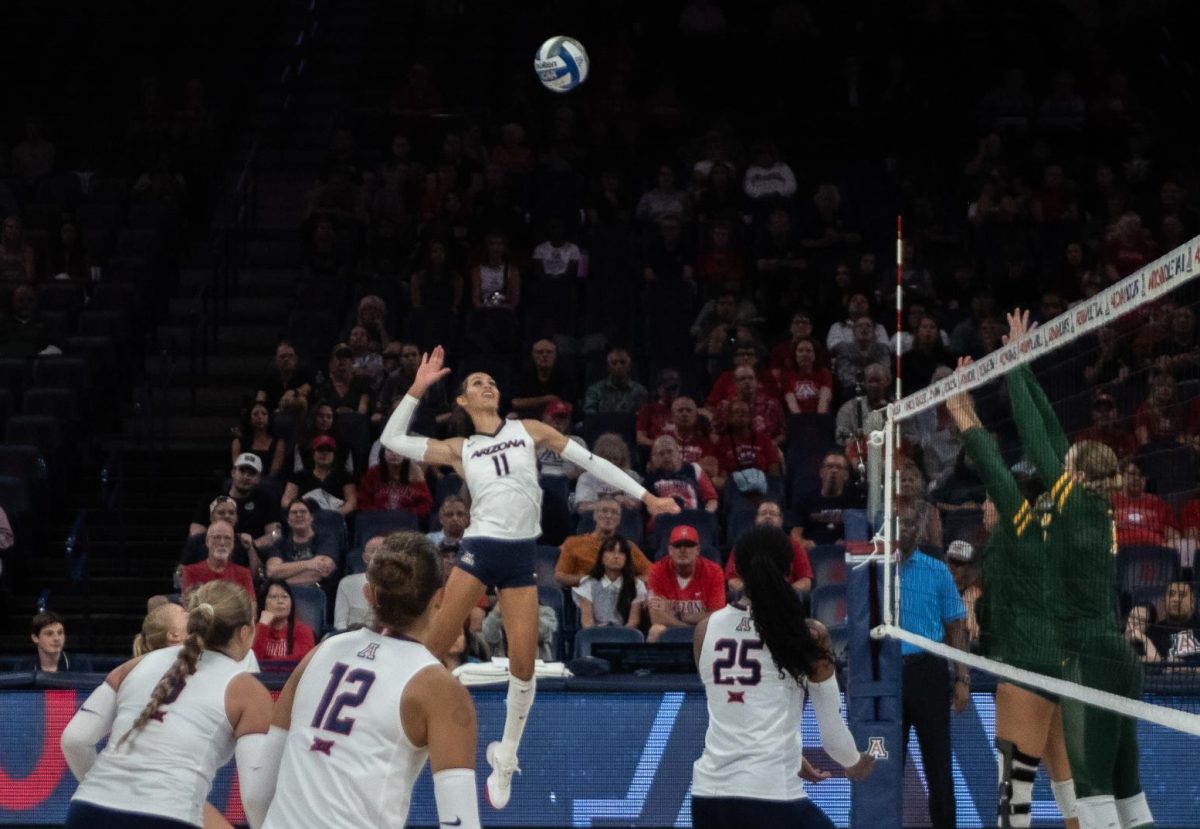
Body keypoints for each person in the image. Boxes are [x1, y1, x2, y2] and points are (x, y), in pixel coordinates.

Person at [380, 345, 678, 808]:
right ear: (461, 401)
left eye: (491, 381)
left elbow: (593, 462)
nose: (487, 386)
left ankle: (506, 756)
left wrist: (647, 497)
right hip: (479, 549)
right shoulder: (461, 449)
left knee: (523, 665)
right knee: (431, 651)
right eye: (477, 382)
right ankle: (390, 734)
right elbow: (393, 439)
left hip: (520, 556)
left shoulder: (528, 429)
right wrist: (417, 389)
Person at [1005, 309, 1152, 829]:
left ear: (1075, 475)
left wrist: (1010, 366)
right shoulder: (1093, 504)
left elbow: (1033, 434)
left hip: (1087, 655)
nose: (1058, 465)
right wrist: (1023, 364)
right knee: (1128, 790)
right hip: (1119, 655)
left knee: (1092, 789)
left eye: (1066, 465)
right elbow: (1051, 433)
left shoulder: (1072, 505)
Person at [262, 532, 481, 829]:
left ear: (368, 593)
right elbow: (460, 823)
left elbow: (259, 783)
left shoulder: (321, 651)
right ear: (439, 598)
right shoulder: (439, 688)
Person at [691, 525, 873, 829]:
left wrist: (791, 754)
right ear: (790, 569)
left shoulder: (704, 629)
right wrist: (855, 763)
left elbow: (738, 708)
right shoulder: (808, 633)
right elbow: (832, 738)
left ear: (736, 569)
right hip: (771, 793)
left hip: (709, 796)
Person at [59, 582, 277, 829]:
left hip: (88, 810)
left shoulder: (135, 664)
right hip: (169, 816)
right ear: (244, 632)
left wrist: (104, 788)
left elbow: (74, 739)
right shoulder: (248, 691)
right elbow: (256, 796)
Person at [896, 502, 971, 829]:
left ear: (921, 529)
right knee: (886, 765)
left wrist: (962, 678)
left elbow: (956, 625)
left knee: (938, 764)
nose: (908, 531)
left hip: (928, 672)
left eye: (913, 525)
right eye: (902, 524)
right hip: (887, 675)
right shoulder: (874, 567)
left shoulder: (937, 569)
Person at [264, 498, 337, 634]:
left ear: (311, 517)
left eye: (303, 512)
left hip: (316, 598)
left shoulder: (326, 539)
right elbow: (272, 572)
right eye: (294, 513)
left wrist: (283, 577)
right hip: (283, 597)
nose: (298, 515)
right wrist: (309, 564)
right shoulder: (280, 543)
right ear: (288, 520)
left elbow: (322, 571)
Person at [188, 455, 281, 558]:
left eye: (252, 473)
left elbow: (275, 535)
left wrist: (251, 545)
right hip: (215, 552)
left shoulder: (266, 500)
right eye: (242, 471)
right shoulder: (211, 499)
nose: (246, 477)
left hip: (250, 554)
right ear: (233, 472)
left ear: (258, 478)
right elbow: (195, 534)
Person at [647, 525, 726, 642]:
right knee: (656, 630)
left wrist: (683, 616)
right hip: (676, 628)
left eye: (689, 545)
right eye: (677, 545)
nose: (683, 550)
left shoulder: (714, 571)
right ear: (670, 550)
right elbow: (657, 617)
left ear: (698, 550)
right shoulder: (657, 570)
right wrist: (687, 629)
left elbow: (717, 616)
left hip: (704, 628)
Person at [556, 497, 654, 587]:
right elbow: (560, 576)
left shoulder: (628, 546)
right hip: (584, 597)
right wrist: (589, 580)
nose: (608, 516)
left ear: (619, 520)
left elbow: (653, 574)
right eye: (604, 511)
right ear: (594, 515)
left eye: (614, 512)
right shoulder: (574, 543)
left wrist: (624, 583)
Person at [724, 501, 812, 597]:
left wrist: (783, 592)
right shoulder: (742, 544)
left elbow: (806, 582)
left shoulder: (794, 546)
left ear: (781, 520)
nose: (768, 516)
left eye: (773, 514)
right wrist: (754, 592)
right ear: (756, 519)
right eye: (763, 513)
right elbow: (732, 581)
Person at [791, 452, 864, 548]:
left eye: (839, 467)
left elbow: (861, 538)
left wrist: (847, 545)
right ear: (821, 472)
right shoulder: (805, 500)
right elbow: (795, 535)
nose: (834, 470)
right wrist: (804, 543)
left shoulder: (855, 501)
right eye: (829, 466)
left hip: (844, 555)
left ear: (846, 475)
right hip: (813, 553)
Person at [573, 535, 647, 628]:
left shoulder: (637, 585)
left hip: (624, 636)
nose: (616, 556)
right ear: (602, 558)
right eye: (611, 551)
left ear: (626, 559)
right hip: (596, 635)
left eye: (621, 552)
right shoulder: (588, 583)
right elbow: (587, 623)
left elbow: (633, 622)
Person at [180, 521, 257, 603]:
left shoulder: (244, 574)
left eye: (227, 538)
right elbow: (188, 605)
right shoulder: (191, 572)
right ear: (207, 541)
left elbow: (251, 606)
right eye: (216, 537)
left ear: (233, 543)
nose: (222, 543)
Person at [282, 435, 357, 516]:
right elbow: (286, 501)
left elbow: (352, 502)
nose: (324, 453)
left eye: (329, 450)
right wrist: (302, 511)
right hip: (305, 519)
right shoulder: (299, 476)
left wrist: (335, 514)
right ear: (313, 453)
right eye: (320, 449)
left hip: (334, 520)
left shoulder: (344, 476)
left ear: (334, 455)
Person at [574, 434, 643, 515]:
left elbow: (637, 505)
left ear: (622, 460)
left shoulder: (632, 476)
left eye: (615, 459)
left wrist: (625, 500)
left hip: (623, 518)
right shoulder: (587, 477)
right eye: (607, 459)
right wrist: (608, 504)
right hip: (594, 519)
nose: (611, 463)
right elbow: (582, 508)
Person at [253, 579, 316, 666]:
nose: (280, 601)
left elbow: (300, 663)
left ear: (291, 603)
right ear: (264, 603)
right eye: (273, 597)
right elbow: (252, 662)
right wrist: (263, 626)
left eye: (285, 597)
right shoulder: (255, 630)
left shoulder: (303, 630)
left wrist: (267, 661)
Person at [357, 449, 433, 516]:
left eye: (398, 451)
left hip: (406, 522)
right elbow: (363, 502)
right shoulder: (373, 472)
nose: (394, 454)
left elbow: (426, 504)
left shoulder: (415, 472)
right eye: (389, 450)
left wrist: (409, 513)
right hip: (377, 520)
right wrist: (378, 514)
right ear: (383, 453)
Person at [18, 611, 93, 673]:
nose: (57, 638)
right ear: (35, 638)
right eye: (49, 634)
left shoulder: (80, 665)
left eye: (60, 633)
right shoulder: (22, 667)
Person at [334, 535, 383, 630]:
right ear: (365, 558)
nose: (380, 555)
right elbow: (340, 623)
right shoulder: (347, 584)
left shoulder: (403, 585)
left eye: (385, 551)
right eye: (374, 551)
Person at [583, 347, 650, 414]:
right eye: (614, 363)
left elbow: (643, 416)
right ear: (608, 367)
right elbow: (590, 416)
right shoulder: (595, 390)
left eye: (623, 362)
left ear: (629, 366)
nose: (619, 366)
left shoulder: (640, 391)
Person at [1147, 581, 1200, 663]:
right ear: (1164, 601)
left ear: (1192, 602)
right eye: (1171, 595)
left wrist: (1182, 669)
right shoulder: (1153, 632)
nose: (1175, 599)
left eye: (1182, 595)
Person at [232, 402, 286, 480]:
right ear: (249, 418)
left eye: (264, 414)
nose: (260, 417)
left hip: (268, 482)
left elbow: (274, 471)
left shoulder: (278, 442)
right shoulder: (238, 442)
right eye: (255, 414)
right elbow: (237, 468)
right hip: (243, 480)